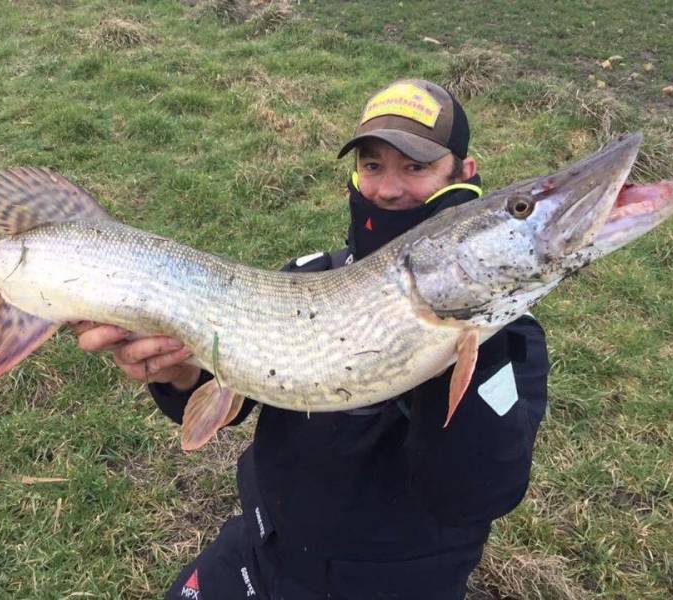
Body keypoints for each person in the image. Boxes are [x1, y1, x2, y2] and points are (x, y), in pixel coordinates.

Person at [75, 79, 550, 599]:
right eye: (372, 166)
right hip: (264, 552)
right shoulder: (307, 278)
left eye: (415, 167)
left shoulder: (512, 338)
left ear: (463, 172)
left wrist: (475, 346)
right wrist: (182, 375)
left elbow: (478, 491)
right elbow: (229, 399)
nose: (388, 189)